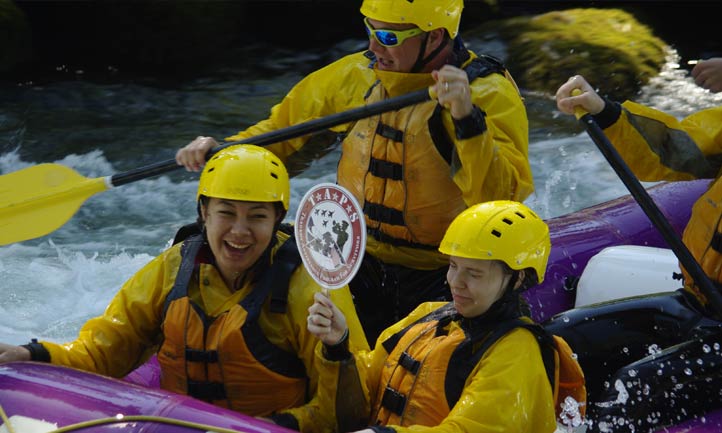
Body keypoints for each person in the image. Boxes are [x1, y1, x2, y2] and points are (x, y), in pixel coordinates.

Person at [175, 0, 533, 346]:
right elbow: (279, 138)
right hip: (354, 258)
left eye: (390, 37)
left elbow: (499, 203)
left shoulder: (488, 93)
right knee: (201, 240)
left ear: (435, 37)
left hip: (440, 273)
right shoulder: (355, 77)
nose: (374, 46)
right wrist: (223, 153)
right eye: (370, 30)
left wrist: (466, 119)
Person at [0, 145, 369, 433]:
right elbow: (102, 352)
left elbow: (344, 413)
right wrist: (29, 353)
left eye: (257, 216)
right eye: (226, 213)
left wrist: (336, 350)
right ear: (204, 213)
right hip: (176, 425)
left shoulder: (309, 289)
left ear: (277, 221)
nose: (240, 232)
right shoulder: (173, 268)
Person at [553, 64, 722, 432]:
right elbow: (674, 148)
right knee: (560, 342)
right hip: (701, 304)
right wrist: (605, 111)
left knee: (632, 388)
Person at [305, 200, 562, 433]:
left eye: (474, 273)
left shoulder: (517, 351)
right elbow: (366, 389)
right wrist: (339, 346)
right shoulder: (429, 314)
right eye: (453, 266)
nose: (455, 282)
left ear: (516, 279)